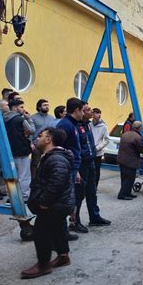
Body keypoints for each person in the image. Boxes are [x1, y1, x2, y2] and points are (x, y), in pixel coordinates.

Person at [21, 128, 75, 279]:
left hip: (55, 204)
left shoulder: (56, 158)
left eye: (40, 136)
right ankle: (64, 257)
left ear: (48, 139)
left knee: (41, 232)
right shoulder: (52, 156)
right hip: (60, 203)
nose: (37, 138)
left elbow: (57, 182)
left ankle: (43, 265)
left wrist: (44, 203)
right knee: (58, 228)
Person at [70, 103, 111, 233]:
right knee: (79, 194)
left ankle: (94, 217)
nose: (91, 111)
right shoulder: (73, 126)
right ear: (80, 111)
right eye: (88, 110)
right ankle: (74, 222)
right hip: (81, 164)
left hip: (91, 161)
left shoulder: (87, 124)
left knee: (92, 192)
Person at [57, 98, 85, 241]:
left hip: (73, 168)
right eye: (83, 110)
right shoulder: (65, 125)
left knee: (69, 199)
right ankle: (62, 232)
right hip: (67, 168)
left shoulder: (73, 124)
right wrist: (71, 168)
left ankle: (65, 230)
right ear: (77, 110)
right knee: (64, 200)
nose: (84, 113)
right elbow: (61, 147)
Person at [3, 99, 35, 200]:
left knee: (11, 175)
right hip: (21, 150)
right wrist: (29, 119)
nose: (23, 109)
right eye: (21, 107)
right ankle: (24, 197)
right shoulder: (20, 119)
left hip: (8, 151)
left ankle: (11, 198)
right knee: (24, 175)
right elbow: (31, 130)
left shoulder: (3, 118)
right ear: (15, 108)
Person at [117, 121, 143, 200]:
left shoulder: (125, 134)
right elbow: (141, 148)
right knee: (129, 178)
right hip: (130, 161)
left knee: (124, 177)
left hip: (121, 159)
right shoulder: (137, 137)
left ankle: (127, 193)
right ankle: (122, 194)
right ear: (139, 128)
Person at [31, 99, 56, 177]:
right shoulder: (33, 118)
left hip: (49, 144)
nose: (47, 107)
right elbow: (30, 132)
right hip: (37, 144)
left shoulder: (52, 118)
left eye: (47, 105)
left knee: (49, 162)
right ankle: (34, 180)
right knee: (35, 163)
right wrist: (31, 143)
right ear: (39, 107)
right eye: (44, 105)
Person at [91, 108, 110, 187]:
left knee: (96, 170)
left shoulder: (103, 126)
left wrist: (98, 147)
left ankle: (95, 187)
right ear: (92, 114)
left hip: (97, 153)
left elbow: (107, 139)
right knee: (89, 170)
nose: (99, 115)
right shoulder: (89, 124)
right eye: (96, 113)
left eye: (99, 113)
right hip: (89, 151)